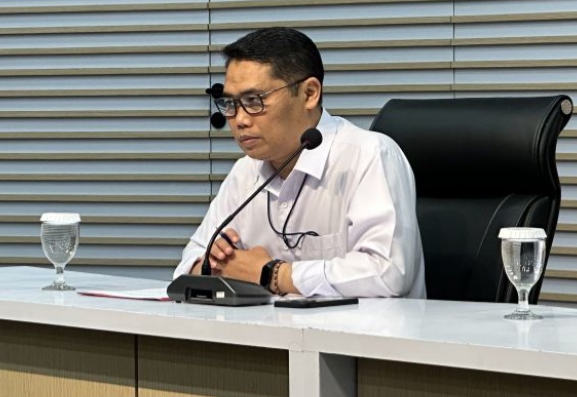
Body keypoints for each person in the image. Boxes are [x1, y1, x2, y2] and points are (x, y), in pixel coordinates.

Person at [173, 27, 426, 298]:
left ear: (309, 94)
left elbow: (387, 273)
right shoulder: (245, 171)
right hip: (267, 326)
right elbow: (187, 267)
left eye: (254, 101)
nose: (240, 120)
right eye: (230, 103)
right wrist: (214, 265)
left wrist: (272, 274)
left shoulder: (369, 156)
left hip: (362, 326)